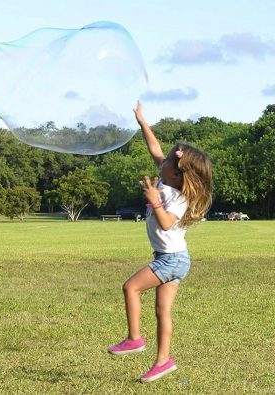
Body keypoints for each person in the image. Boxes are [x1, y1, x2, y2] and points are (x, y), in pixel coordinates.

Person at [107, 101, 213, 383]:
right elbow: (154, 148)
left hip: (172, 260)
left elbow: (167, 222)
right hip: (171, 258)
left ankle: (134, 339)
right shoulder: (169, 180)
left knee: (130, 287)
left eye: (167, 161)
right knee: (161, 310)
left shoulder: (177, 197)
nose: (160, 161)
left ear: (177, 174)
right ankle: (163, 361)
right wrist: (143, 122)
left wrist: (154, 202)